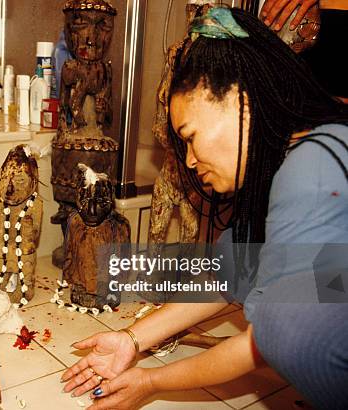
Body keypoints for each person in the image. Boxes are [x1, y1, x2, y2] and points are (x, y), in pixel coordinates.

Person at [60, 7, 348, 410]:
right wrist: (131, 340)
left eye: (191, 137)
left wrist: (149, 382)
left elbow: (265, 340)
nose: (190, 161)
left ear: (239, 98)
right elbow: (225, 277)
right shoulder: (283, 167)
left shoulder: (312, 168)